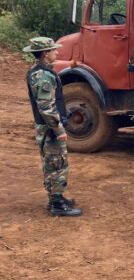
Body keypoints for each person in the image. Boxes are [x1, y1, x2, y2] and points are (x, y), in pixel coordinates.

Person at [23, 37, 83, 217]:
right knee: (58, 164)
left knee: (51, 163)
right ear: (44, 53)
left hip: (46, 127)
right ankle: (57, 204)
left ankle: (56, 198)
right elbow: (46, 107)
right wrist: (59, 129)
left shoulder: (37, 71)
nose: (56, 52)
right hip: (50, 128)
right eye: (53, 50)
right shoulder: (43, 76)